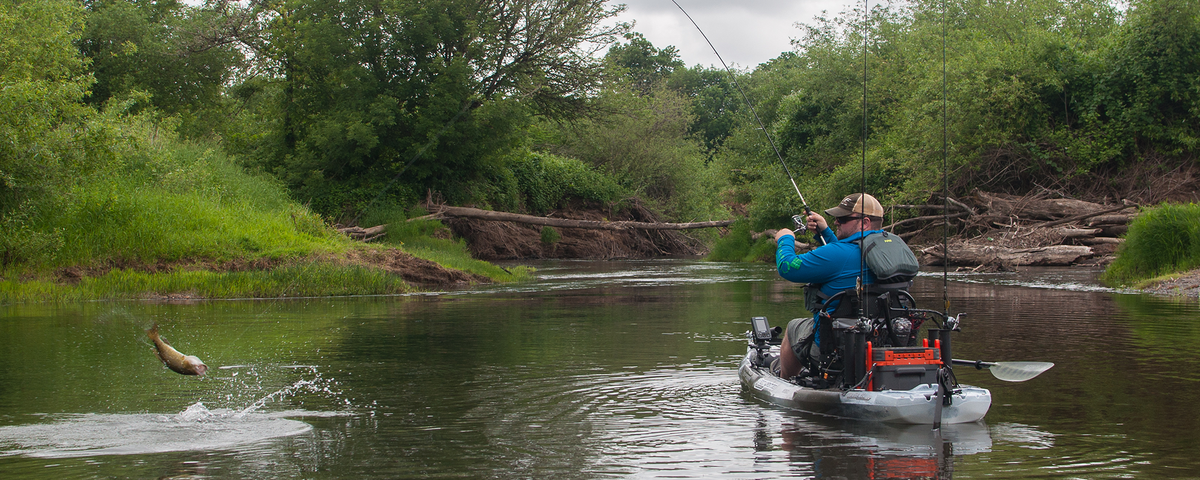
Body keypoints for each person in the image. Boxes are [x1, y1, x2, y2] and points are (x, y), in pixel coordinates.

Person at [772, 193, 886, 379]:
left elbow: (788, 267)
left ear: (864, 223)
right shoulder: (892, 252)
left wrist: (785, 239)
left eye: (842, 219)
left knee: (794, 327)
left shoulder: (838, 255)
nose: (837, 222)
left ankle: (785, 381)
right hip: (886, 343)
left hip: (835, 351)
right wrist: (824, 233)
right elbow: (845, 257)